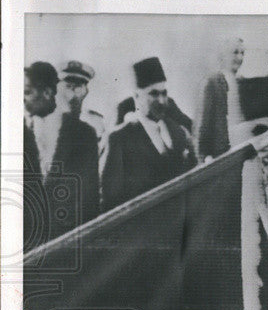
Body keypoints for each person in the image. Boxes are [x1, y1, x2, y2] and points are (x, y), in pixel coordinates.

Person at [100, 57, 196, 211]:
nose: (162, 101)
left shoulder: (177, 133)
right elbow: (108, 202)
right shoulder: (119, 139)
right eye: (154, 94)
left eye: (164, 93)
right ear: (136, 97)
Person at [23, 60, 100, 242]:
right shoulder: (21, 132)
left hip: (67, 244)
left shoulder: (84, 135)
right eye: (69, 86)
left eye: (27, 92)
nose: (74, 94)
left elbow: (90, 201)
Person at [196, 37, 246, 160]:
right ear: (223, 55)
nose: (240, 58)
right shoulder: (212, 82)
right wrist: (205, 158)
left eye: (242, 53)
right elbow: (203, 125)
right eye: (235, 52)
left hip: (244, 149)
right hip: (222, 154)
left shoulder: (243, 82)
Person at [57, 60, 105, 139]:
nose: (72, 95)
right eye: (68, 86)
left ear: (86, 92)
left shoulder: (95, 124)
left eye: (78, 87)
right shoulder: (43, 121)